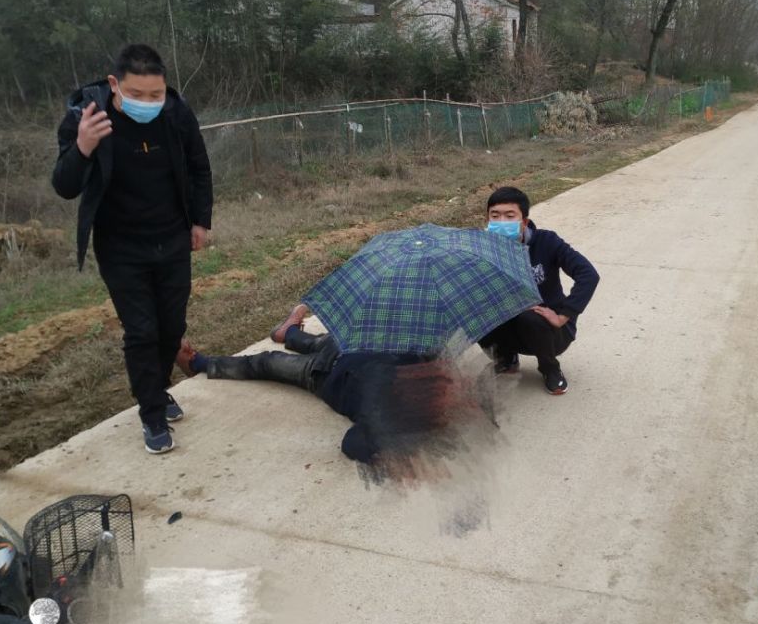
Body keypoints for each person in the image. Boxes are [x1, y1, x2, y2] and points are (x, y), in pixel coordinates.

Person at [52, 44, 214, 455]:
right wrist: (83, 147)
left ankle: (156, 390)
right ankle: (152, 413)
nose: (148, 103)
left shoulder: (176, 113)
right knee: (142, 331)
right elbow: (65, 186)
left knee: (172, 327)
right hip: (122, 247)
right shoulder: (85, 119)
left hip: (173, 237)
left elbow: (199, 166)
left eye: (154, 95)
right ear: (114, 85)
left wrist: (200, 220)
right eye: (137, 95)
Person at [176, 306, 469, 465]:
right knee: (316, 341)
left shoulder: (390, 414)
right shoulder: (432, 355)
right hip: (353, 347)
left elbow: (353, 445)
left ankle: (199, 364)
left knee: (268, 362)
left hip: (327, 374)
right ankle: (288, 331)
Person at [478, 187, 599, 395]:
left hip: (549, 329)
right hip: (509, 324)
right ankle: (506, 358)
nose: (502, 222)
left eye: (509, 216)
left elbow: (588, 275)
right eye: (495, 216)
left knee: (530, 316)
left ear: (523, 221)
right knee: (476, 313)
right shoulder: (482, 249)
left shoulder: (547, 242)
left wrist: (564, 315)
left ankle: (550, 368)